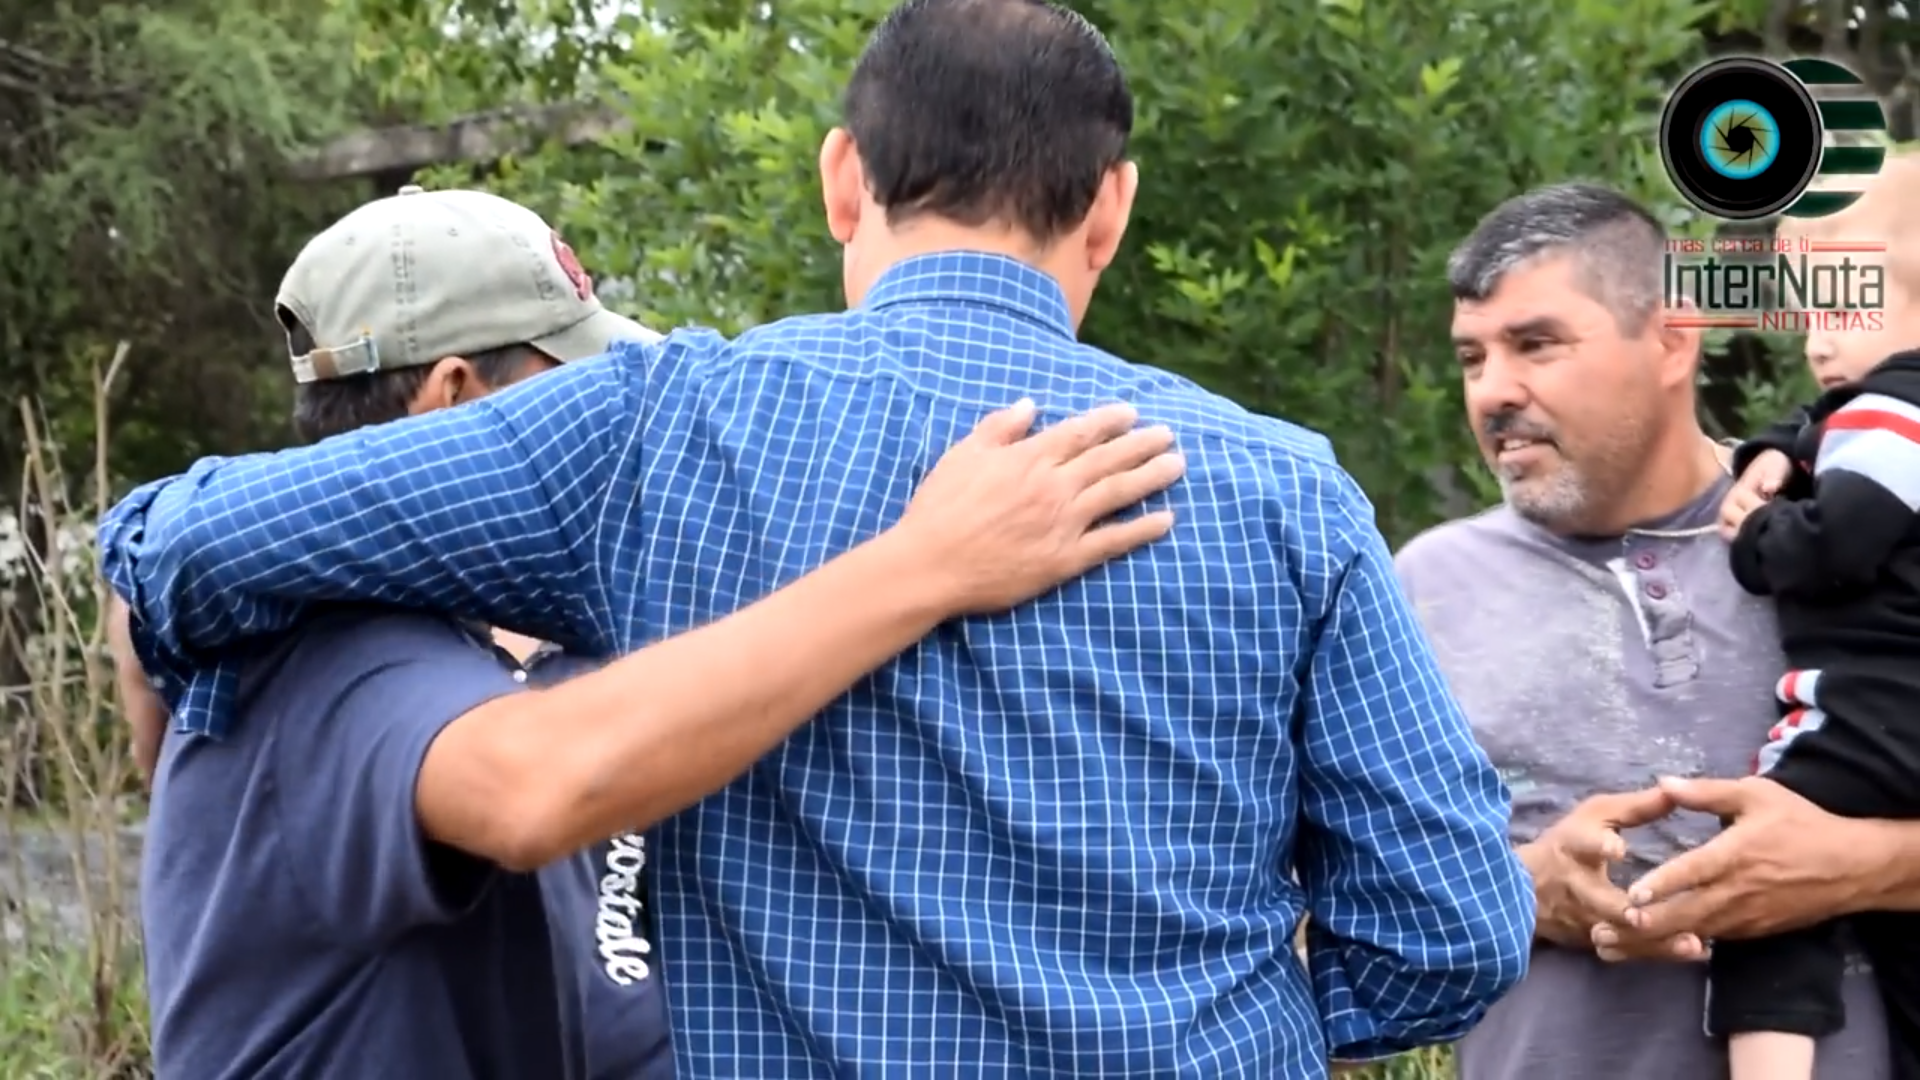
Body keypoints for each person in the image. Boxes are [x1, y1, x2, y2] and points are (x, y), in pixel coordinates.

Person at [102, 1, 1531, 1074]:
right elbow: (1451, 932)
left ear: (844, 178)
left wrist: (183, 714)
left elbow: (175, 541)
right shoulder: (1287, 491)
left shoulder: (653, 429)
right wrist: (1209, 1020)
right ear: (1113, 206)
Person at [132, 186, 1183, 1078]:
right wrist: (928, 564)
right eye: (574, 390)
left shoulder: (481, 651)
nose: (615, 443)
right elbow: (542, 787)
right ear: (452, 395)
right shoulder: (332, 660)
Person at [1395, 180, 1892, 1080]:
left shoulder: (1850, 540)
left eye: (1536, 344)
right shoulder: (1421, 587)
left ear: (1672, 338)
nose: (1494, 392)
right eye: (1472, 359)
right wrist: (1525, 891)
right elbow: (1323, 907)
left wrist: (1856, 865)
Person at [1704, 153, 1920, 1080]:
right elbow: (1820, 429)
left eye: (1839, 313)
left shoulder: (1895, 413)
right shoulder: (1878, 413)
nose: (1817, 344)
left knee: (1760, 867)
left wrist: (1757, 533)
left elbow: (1840, 539)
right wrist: (1775, 451)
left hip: (1875, 704)